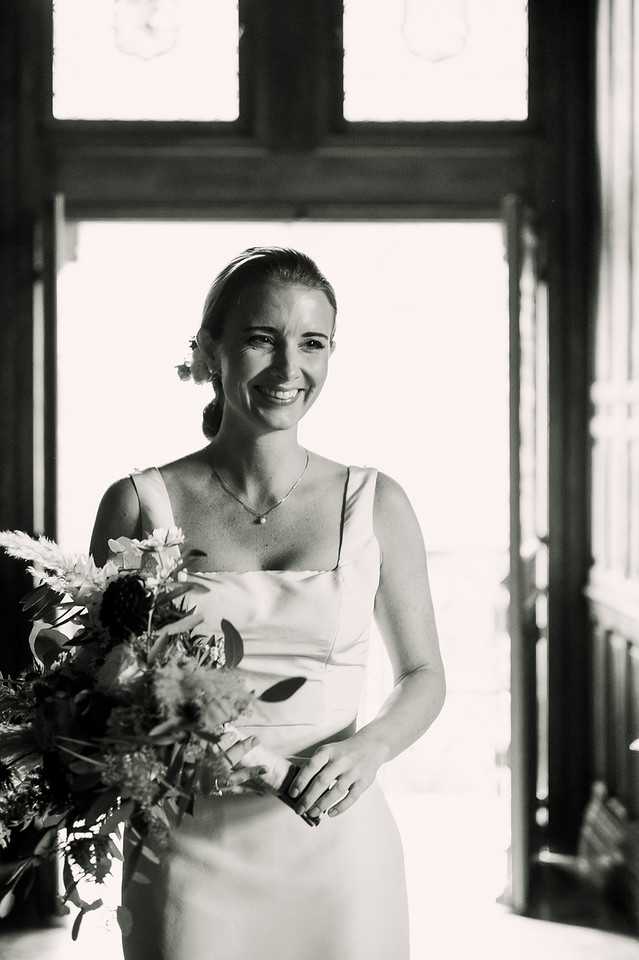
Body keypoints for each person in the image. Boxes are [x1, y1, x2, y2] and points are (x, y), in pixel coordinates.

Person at [89, 246, 446, 960]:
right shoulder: (139, 504)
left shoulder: (376, 502)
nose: (289, 371)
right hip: (188, 846)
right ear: (208, 351)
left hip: (339, 848)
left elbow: (423, 676)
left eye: (312, 343)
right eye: (261, 340)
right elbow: (100, 689)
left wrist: (369, 748)